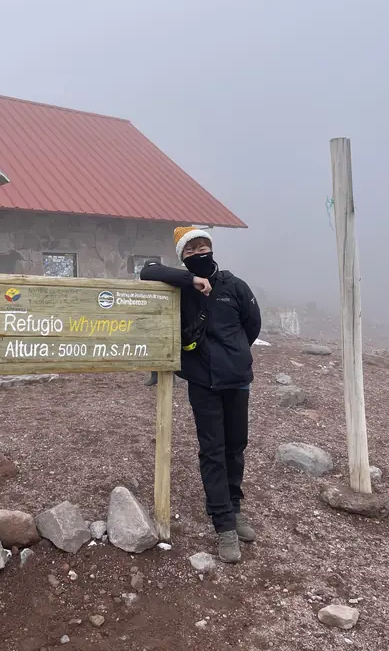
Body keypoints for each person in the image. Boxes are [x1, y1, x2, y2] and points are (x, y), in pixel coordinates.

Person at [141, 227, 261, 563]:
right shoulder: (179, 288)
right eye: (190, 250)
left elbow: (253, 326)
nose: (199, 253)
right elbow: (147, 270)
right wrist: (190, 280)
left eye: (203, 246)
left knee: (236, 447)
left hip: (237, 380)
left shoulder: (234, 286)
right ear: (183, 257)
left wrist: (235, 353)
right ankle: (223, 524)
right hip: (202, 382)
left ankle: (236, 510)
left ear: (212, 248)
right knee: (213, 450)